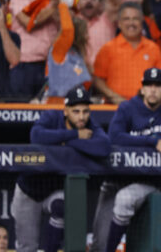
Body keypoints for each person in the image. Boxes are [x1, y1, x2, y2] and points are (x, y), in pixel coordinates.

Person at [101, 68, 161, 252]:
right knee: (124, 198)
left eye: (158, 86)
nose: (153, 89)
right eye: (149, 85)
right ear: (142, 88)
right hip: (134, 178)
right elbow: (113, 137)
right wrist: (152, 141)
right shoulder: (128, 108)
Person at [13, 86, 111, 252]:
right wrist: (74, 135)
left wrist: (68, 143)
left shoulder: (91, 125)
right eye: (76, 111)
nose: (81, 117)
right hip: (29, 190)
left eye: (85, 111)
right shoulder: (52, 116)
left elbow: (104, 147)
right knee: (27, 247)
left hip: (56, 190)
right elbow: (36, 136)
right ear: (66, 111)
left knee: (61, 205)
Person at [93, 2, 161, 103]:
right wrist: (113, 96)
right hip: (115, 108)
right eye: (126, 19)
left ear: (142, 22)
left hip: (145, 107)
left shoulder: (153, 49)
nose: (131, 23)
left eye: (135, 19)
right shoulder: (107, 49)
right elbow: (97, 79)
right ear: (119, 23)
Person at [8, 0, 59, 100]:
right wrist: (54, 6)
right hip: (24, 65)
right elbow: (29, 24)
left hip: (51, 66)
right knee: (19, 116)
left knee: (51, 115)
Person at [44, 0, 91, 98]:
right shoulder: (60, 51)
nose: (87, 36)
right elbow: (67, 31)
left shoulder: (77, 54)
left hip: (75, 104)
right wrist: (61, 0)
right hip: (57, 105)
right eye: (85, 32)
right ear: (77, 33)